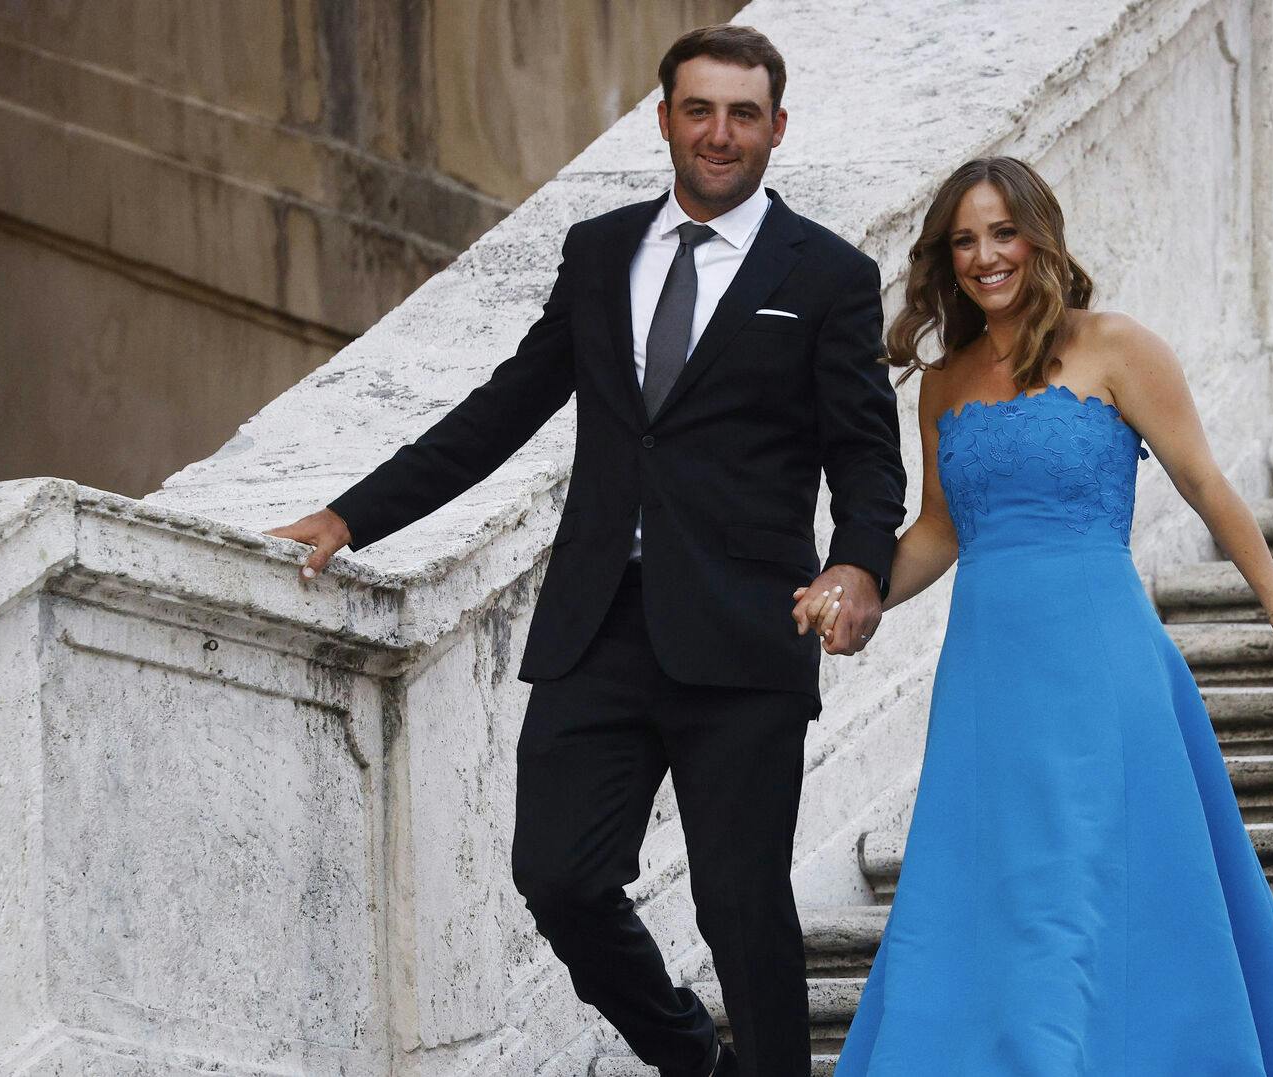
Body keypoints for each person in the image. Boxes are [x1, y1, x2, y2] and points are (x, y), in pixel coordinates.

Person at [267, 25, 906, 1077]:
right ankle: (693, 1057)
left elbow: (866, 457)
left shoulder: (829, 275)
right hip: (596, 627)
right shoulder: (601, 250)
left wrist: (858, 566)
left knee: (740, 905)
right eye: (698, 109)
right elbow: (503, 410)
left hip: (747, 638)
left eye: (744, 114)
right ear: (663, 120)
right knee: (558, 877)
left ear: (777, 129)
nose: (719, 133)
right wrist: (350, 517)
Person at [805, 157, 1273, 1074]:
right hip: (988, 676)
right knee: (1004, 892)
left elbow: (1207, 485)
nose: (985, 257)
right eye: (965, 240)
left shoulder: (1117, 346)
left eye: (1002, 233)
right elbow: (940, 529)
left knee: (1089, 889)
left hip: (1101, 662)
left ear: (1040, 236)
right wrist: (856, 586)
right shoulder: (943, 384)